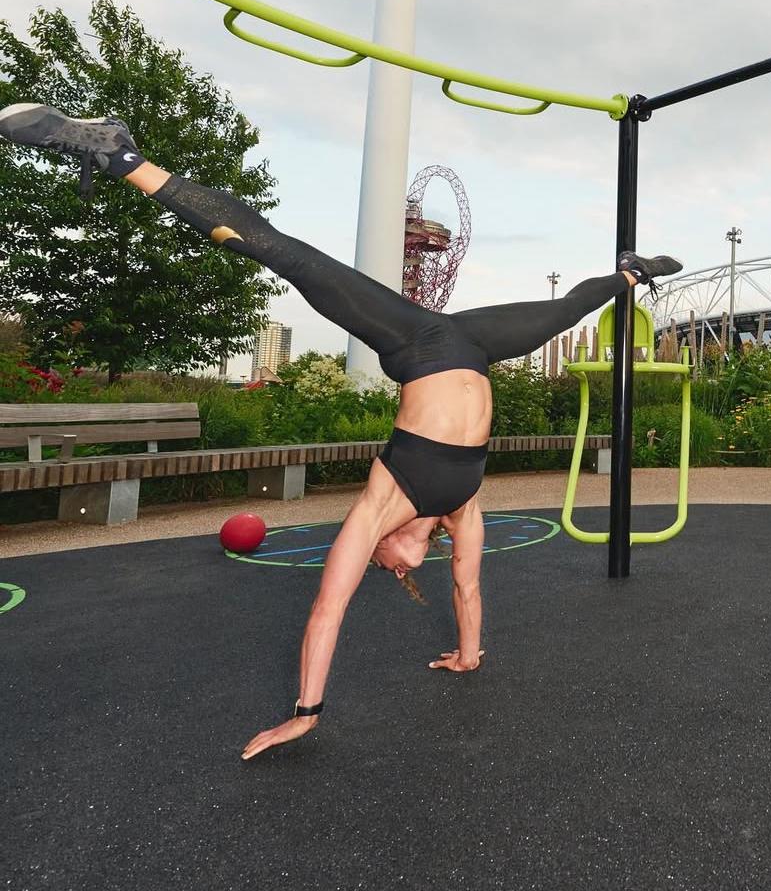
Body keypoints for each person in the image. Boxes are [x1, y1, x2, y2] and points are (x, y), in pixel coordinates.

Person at [0, 103, 682, 759]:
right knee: (566, 309)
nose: (391, 569)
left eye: (384, 566)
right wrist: (470, 653)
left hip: (414, 341)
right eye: (395, 572)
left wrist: (305, 713)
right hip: (470, 345)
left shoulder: (380, 505)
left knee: (286, 257)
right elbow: (468, 591)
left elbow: (327, 610)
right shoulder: (460, 511)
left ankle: (117, 154)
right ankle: (631, 269)